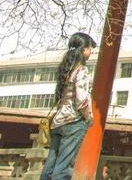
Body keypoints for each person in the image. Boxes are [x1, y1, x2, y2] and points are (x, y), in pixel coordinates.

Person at [40, 32, 96, 180]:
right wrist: (88, 117)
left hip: (58, 121)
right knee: (64, 168)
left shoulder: (65, 69)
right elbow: (82, 99)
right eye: (90, 48)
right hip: (74, 121)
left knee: (50, 167)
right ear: (83, 49)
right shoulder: (81, 70)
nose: (91, 52)